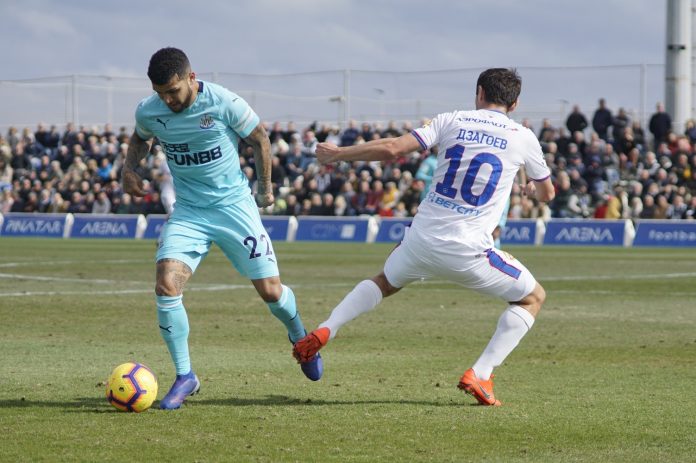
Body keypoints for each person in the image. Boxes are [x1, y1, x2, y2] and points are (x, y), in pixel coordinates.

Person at [293, 68, 555, 406]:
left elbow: (391, 149)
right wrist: (532, 189)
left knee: (385, 282)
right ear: (515, 103)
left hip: (420, 241)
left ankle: (328, 327)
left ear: (478, 93)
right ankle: (482, 373)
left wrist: (338, 154)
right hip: (470, 251)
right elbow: (548, 194)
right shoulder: (524, 137)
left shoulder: (451, 120)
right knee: (532, 298)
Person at [121, 48, 322, 410]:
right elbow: (141, 137)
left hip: (234, 209)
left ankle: (299, 337)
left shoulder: (223, 101)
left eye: (173, 91)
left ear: (191, 78)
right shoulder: (149, 110)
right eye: (160, 93)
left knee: (272, 293)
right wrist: (130, 169)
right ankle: (186, 376)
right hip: (189, 212)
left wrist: (264, 188)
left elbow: (259, 137)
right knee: (167, 284)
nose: (168, 100)